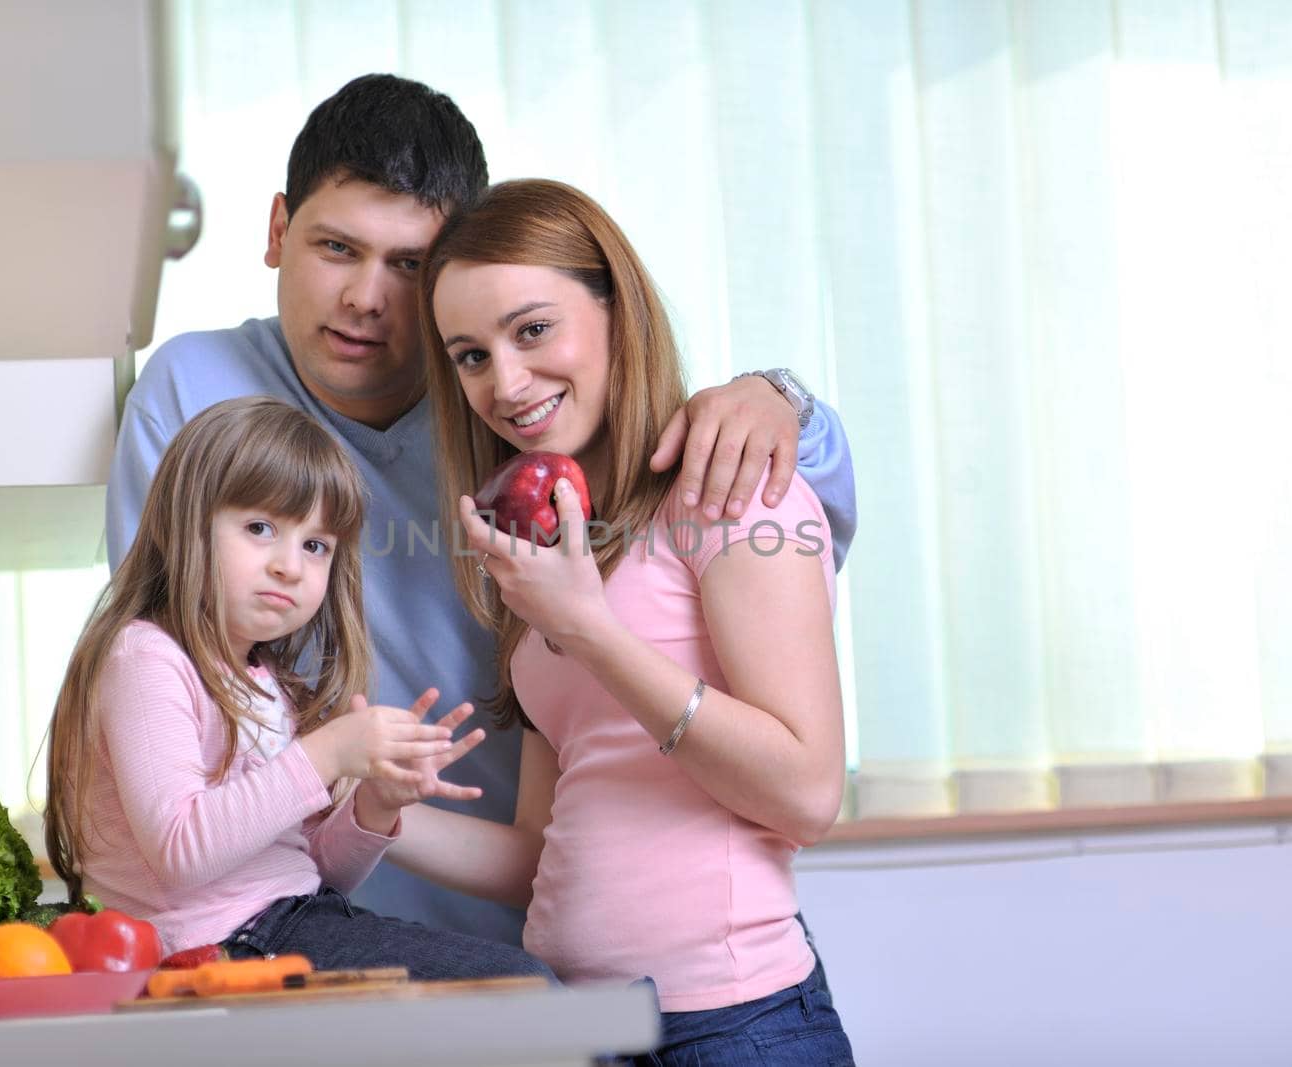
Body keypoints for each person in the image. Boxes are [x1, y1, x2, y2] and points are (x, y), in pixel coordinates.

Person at [106, 73, 858, 945]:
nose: (367, 299)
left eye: (411, 265)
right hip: (295, 907)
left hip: (532, 907)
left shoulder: (515, 419)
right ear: (278, 230)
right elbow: (167, 666)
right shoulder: (192, 392)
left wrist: (784, 399)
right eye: (337, 248)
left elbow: (746, 507)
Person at [386, 178, 853, 1062]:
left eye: (532, 329)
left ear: (615, 308)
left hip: (730, 1027)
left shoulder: (733, 493)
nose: (506, 381)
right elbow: (540, 848)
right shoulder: (553, 546)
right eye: (471, 355)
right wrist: (371, 813)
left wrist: (593, 631)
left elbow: (807, 792)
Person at [47, 396, 551, 980]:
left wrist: (375, 806)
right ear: (183, 527)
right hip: (216, 947)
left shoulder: (264, 682)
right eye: (260, 528)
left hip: (290, 921)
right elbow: (182, 852)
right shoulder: (147, 657)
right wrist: (326, 753)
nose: (291, 565)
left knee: (532, 991)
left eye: (316, 546)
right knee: (527, 994)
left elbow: (313, 874)